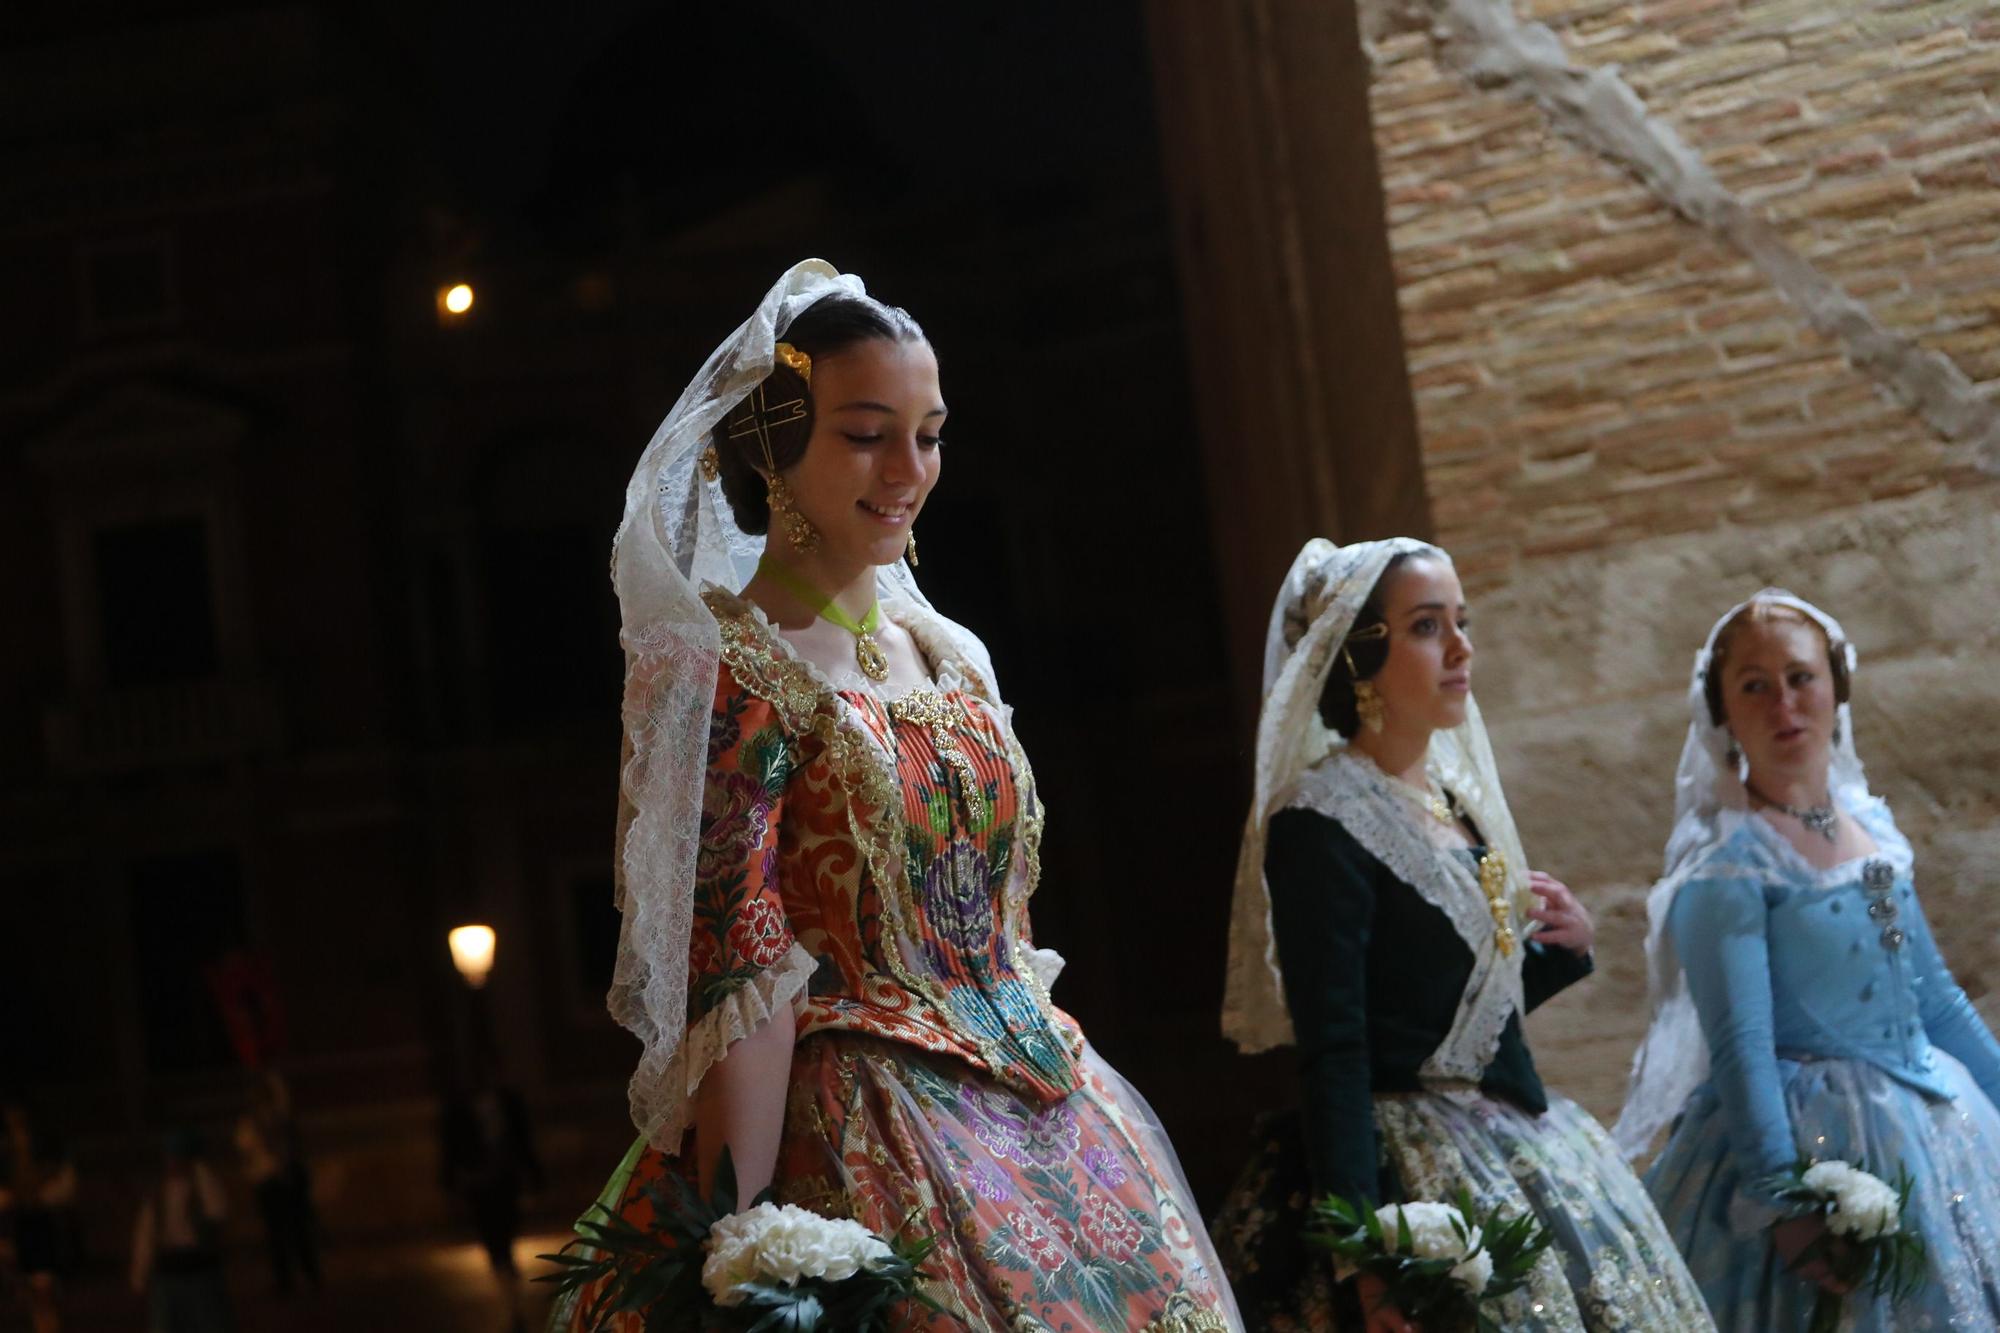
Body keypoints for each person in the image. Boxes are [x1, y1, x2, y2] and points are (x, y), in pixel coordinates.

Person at [552, 260, 1238, 1332]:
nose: (907, 468)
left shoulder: (949, 652)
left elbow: (1002, 921)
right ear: (774, 441)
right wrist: (738, 1239)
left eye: (927, 432)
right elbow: (741, 969)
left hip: (1059, 1116)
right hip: (866, 1130)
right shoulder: (727, 664)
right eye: (865, 432)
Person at [1213, 537, 1711, 1332]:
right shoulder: (1318, 821)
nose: (1461, 647)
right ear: (1359, 657)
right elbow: (1336, 1045)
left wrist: (1564, 951)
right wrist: (1369, 1255)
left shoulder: (1453, 805)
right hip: (1404, 1162)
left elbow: (1462, 1012)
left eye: (1461, 621)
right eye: (1426, 626)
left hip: (1518, 1136)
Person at [1616, 591, 2000, 1329]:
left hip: (1941, 1127)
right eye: (1754, 685)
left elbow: (1939, 1001)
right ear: (1724, 715)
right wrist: (1782, 1202)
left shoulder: (1875, 830)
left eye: (1800, 677)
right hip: (1813, 1145)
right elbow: (1741, 1047)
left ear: (1836, 686)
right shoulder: (1727, 870)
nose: (1784, 704)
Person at [442, 1071, 544, 1333]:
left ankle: (509, 1282)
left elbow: (524, 1140)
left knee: (505, 1235)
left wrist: (533, 1175)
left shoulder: (508, 1102)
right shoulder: (458, 1109)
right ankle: (507, 1281)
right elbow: (451, 1148)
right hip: (479, 1185)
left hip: (504, 1181)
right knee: (494, 1241)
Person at [130, 1130, 232, 1333]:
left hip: (199, 1269)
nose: (173, 1162)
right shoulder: (158, 1193)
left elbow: (218, 1210)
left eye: (177, 1156)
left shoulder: (203, 1187)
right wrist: (139, 1274)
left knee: (209, 1324)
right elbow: (146, 1235)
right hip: (168, 1272)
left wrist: (199, 1170)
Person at [234, 1069, 319, 1295]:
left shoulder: (280, 1117)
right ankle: (285, 1280)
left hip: (287, 1177)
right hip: (267, 1181)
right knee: (276, 1233)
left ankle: (310, 1275)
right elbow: (244, 1149)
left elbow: (283, 1102)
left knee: (298, 1228)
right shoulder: (250, 1123)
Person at [1, 1100, 79, 1333]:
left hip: (41, 1223)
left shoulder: (47, 1147)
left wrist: (41, 1195)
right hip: (17, 1223)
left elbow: (64, 1183)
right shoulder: (6, 1153)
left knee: (44, 1290)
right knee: (31, 1293)